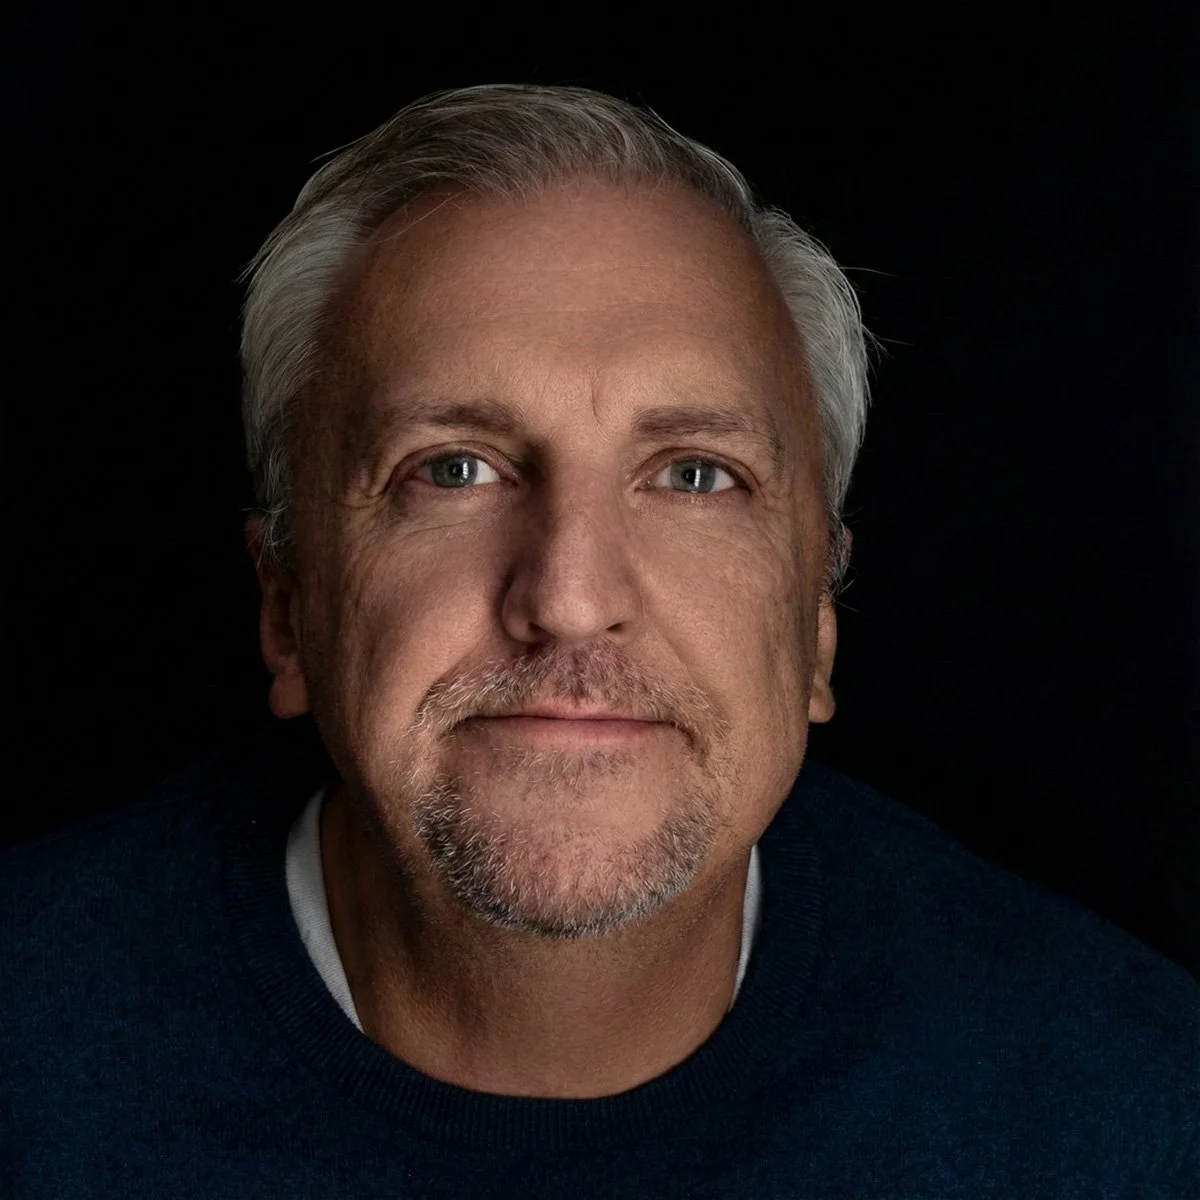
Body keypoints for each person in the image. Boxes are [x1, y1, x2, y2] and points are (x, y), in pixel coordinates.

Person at [3, 84, 1196, 1198]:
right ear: (286, 607)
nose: (569, 597)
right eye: (453, 469)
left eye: (694, 475)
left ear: (817, 623)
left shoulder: (1132, 1111)